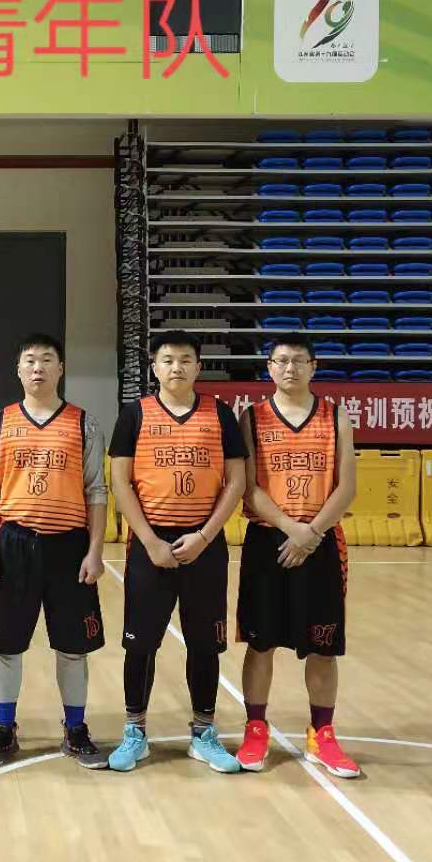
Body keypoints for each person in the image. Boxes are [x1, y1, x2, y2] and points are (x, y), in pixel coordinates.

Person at [106, 331, 247, 774]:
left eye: (186, 360)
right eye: (167, 360)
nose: (176, 367)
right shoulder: (134, 415)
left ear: (199, 367)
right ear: (154, 367)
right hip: (150, 543)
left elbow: (237, 481)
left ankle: (203, 733)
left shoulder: (220, 414)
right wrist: (150, 541)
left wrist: (204, 536)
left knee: (205, 644)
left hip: (204, 544)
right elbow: (120, 482)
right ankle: (135, 732)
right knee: (140, 644)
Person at [0, 333, 108, 770]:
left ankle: (76, 729)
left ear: (60, 369)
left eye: (47, 359)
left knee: (72, 647)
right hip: (14, 546)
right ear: (18, 370)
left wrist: (95, 551)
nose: (38, 367)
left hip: (69, 547)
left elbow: (97, 492)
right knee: (6, 645)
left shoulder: (84, 424)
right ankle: (4, 728)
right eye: (29, 360)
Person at [236, 335, 360, 778]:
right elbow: (247, 486)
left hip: (320, 540)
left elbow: (346, 486)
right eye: (282, 361)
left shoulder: (336, 415)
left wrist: (311, 533)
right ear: (269, 367)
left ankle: (321, 734)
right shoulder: (252, 417)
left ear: (313, 366)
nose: (290, 368)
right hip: (269, 539)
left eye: (299, 361)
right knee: (261, 642)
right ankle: (255, 728)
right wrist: (291, 528)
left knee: (323, 647)